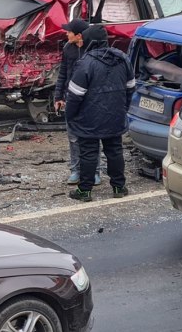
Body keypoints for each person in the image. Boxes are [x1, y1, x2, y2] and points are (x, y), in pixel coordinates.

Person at [64, 24, 135, 202]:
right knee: (114, 150)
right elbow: (131, 87)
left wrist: (70, 116)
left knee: (88, 152)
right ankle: (119, 187)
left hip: (89, 117)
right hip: (115, 115)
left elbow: (75, 95)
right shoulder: (122, 58)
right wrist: (123, 108)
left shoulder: (86, 62)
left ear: (89, 41)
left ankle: (85, 191)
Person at [54, 18, 101, 187]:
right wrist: (58, 97)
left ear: (79, 35)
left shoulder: (94, 50)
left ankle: (95, 171)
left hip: (91, 100)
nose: (66, 34)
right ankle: (75, 170)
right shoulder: (68, 48)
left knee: (92, 137)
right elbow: (63, 74)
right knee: (73, 137)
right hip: (71, 99)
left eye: (69, 31)